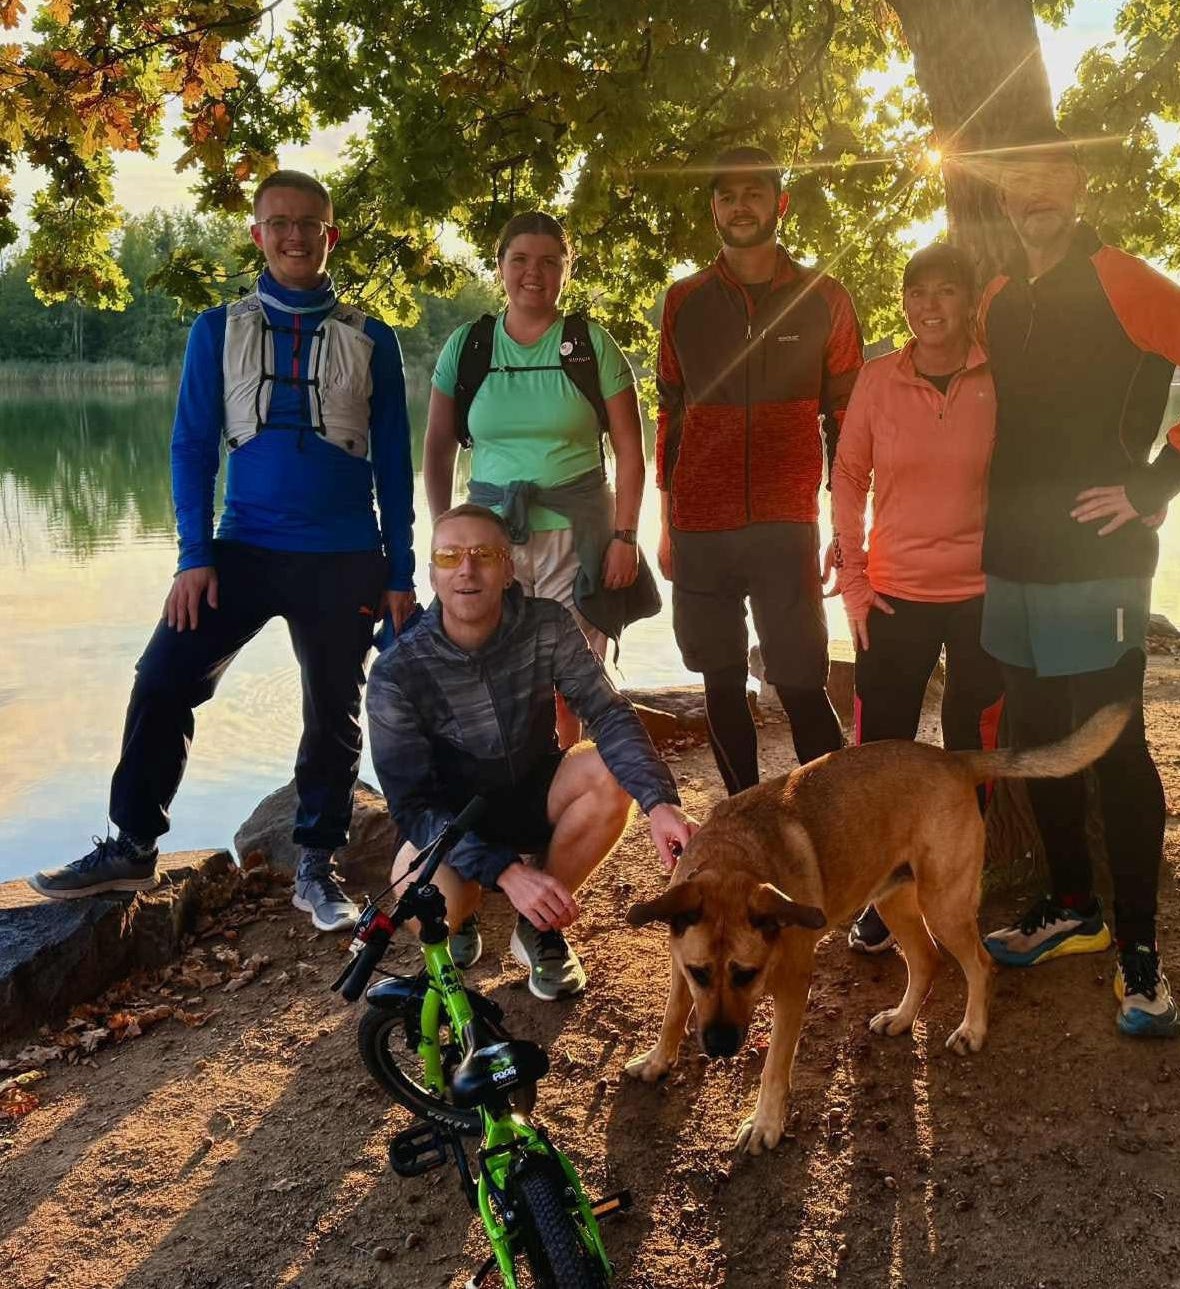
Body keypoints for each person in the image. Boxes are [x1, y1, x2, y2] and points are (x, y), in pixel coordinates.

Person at [29, 169, 416, 936]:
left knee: (332, 709)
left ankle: (317, 862)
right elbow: (191, 447)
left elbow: (396, 465)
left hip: (343, 553)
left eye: (309, 224)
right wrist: (192, 554)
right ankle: (133, 844)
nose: (295, 236)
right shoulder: (217, 329)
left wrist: (400, 570)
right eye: (280, 223)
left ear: (330, 235)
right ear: (257, 234)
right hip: (240, 547)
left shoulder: (372, 337)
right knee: (163, 675)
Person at [974, 126, 1180, 1038]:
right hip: (1010, 555)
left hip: (1097, 558)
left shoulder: (1120, 279)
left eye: (1050, 174)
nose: (1034, 192)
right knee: (1035, 737)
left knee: (1113, 744)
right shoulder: (995, 296)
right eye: (1018, 177)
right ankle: (1073, 906)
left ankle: (1139, 948)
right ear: (1002, 196)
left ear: (1077, 184)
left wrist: (1153, 486)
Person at [368, 504, 694, 999]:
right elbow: (413, 806)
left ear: (509, 569)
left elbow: (607, 712)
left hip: (532, 793)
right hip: (450, 821)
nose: (467, 569)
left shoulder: (548, 624)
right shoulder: (397, 671)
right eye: (450, 556)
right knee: (431, 904)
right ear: (432, 575)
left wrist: (660, 801)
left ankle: (537, 926)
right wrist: (505, 870)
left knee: (608, 771)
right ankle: (469, 910)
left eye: (484, 554)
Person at [654, 146, 864, 794]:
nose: (739, 206)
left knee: (801, 682)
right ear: (713, 208)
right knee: (720, 681)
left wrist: (845, 530)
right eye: (726, 195)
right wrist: (665, 525)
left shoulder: (824, 298)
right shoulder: (683, 301)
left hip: (786, 525)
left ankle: (834, 824)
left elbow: (848, 423)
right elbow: (670, 415)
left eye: (753, 193)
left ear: (780, 203)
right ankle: (743, 818)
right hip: (701, 527)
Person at [828, 239, 1004, 956]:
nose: (929, 306)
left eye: (946, 291)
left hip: (982, 593)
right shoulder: (877, 379)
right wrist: (855, 578)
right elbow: (847, 477)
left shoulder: (1001, 377)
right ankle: (881, 896)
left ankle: (959, 882)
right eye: (917, 292)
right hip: (893, 593)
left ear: (971, 302)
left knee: (973, 745)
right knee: (880, 753)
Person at [420, 211, 649, 741]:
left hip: (578, 540)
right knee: (495, 676)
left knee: (575, 682)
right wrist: (443, 535)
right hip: (486, 545)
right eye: (520, 259)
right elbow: (436, 447)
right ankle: (512, 786)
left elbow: (630, 452)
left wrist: (626, 537)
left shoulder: (592, 345)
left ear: (567, 271)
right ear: (500, 265)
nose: (533, 273)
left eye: (549, 262)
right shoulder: (468, 347)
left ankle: (569, 778)